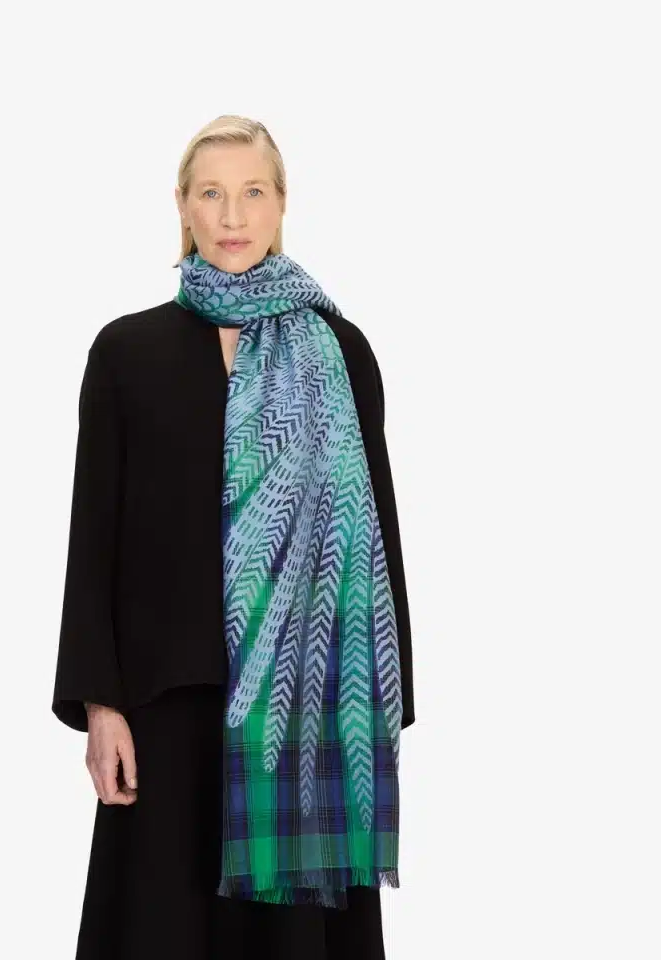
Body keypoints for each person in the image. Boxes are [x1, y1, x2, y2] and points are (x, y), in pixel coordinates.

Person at [51, 114, 415, 960]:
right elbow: (93, 533)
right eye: (211, 194)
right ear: (182, 206)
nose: (231, 215)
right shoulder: (127, 352)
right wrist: (100, 704)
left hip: (308, 716)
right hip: (166, 705)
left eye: (252, 192)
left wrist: (381, 707)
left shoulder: (341, 351)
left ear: (282, 204)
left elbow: (378, 530)